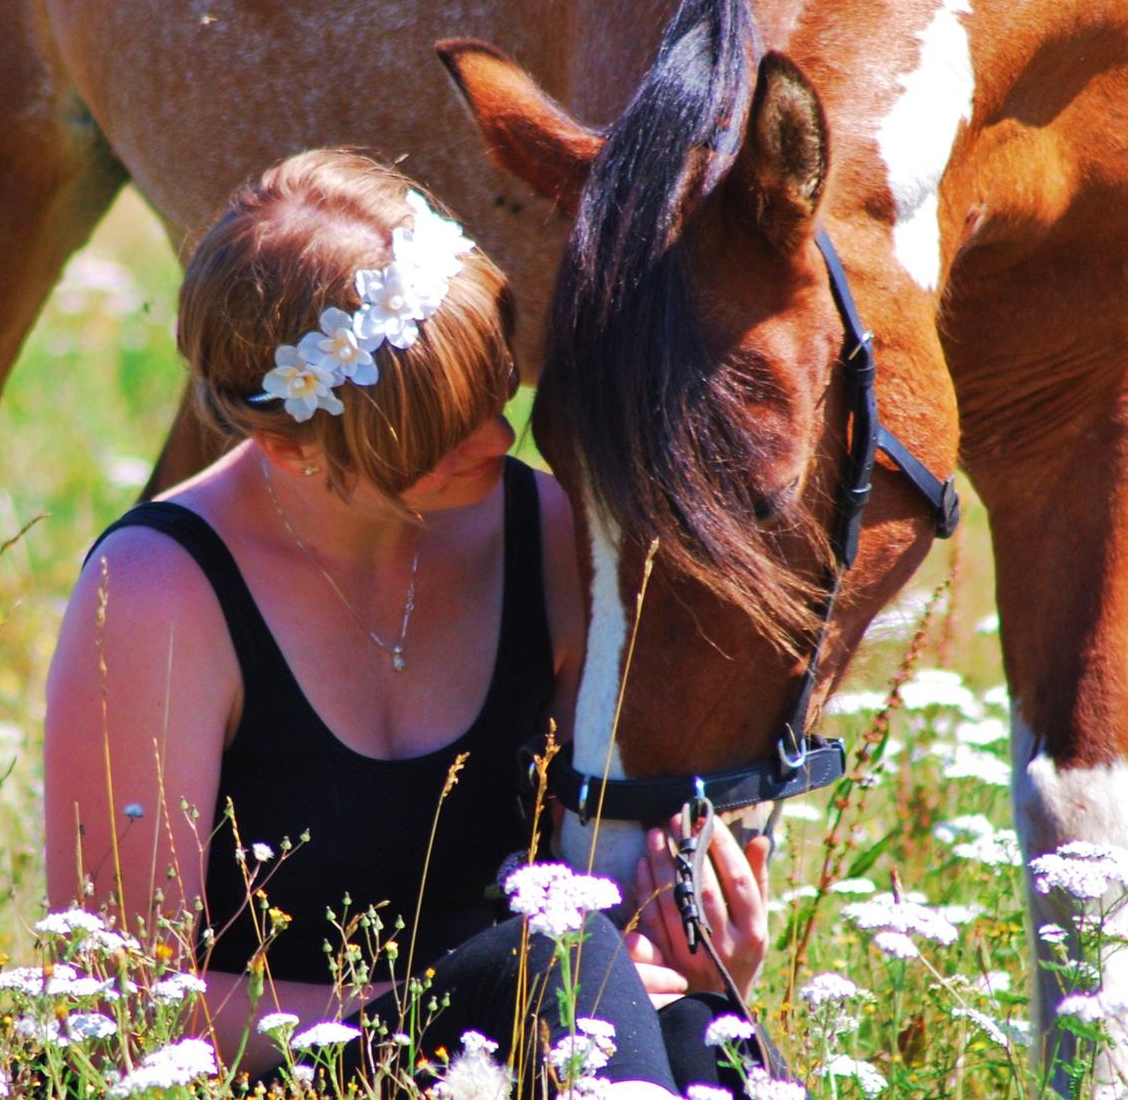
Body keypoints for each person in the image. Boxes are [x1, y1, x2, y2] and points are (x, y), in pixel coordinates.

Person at [44, 149, 773, 1093]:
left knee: (697, 1032)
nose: (499, 440)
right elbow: (113, 996)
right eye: (438, 434)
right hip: (294, 1072)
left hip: (525, 1048)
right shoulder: (157, 595)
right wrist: (465, 999)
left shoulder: (544, 535)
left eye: (496, 389)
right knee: (563, 962)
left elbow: (588, 892)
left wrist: (697, 961)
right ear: (289, 445)